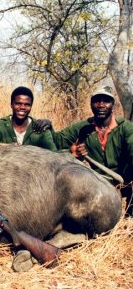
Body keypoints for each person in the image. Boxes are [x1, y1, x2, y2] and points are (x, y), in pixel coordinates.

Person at [37, 85, 133, 216]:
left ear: (113, 104)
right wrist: (48, 125)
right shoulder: (83, 127)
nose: (101, 105)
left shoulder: (126, 128)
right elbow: (57, 141)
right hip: (99, 185)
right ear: (91, 104)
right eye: (97, 101)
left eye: (106, 101)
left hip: (125, 184)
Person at [0, 86, 56, 150]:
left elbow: (53, 155)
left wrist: (50, 127)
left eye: (27, 105)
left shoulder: (40, 127)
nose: (22, 107)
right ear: (11, 105)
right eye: (18, 103)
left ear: (31, 107)